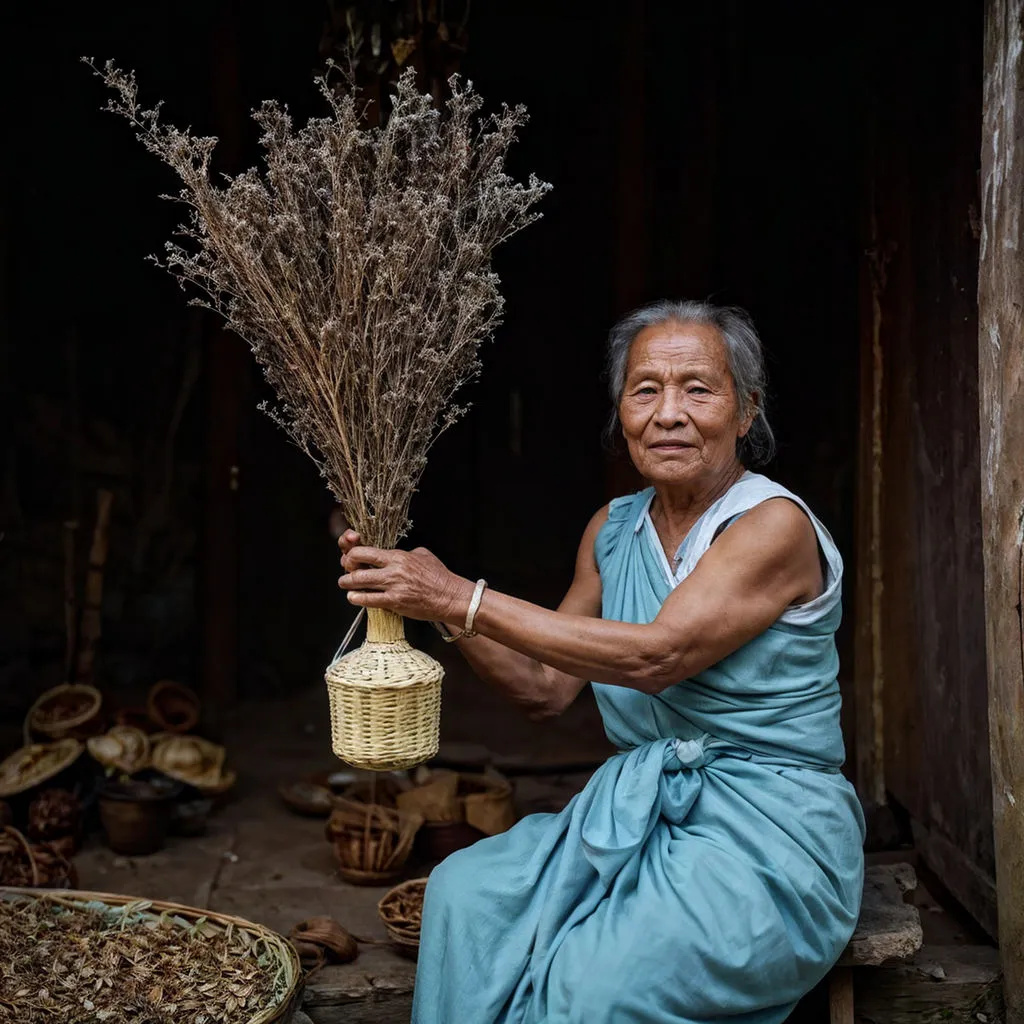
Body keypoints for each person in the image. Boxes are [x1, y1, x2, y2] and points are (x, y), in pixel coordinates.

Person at [337, 299, 865, 1024]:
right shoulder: (612, 531)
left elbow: (660, 655)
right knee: (465, 894)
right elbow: (545, 689)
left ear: (747, 412)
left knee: (591, 986)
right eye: (645, 389)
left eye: (698, 390)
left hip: (768, 835)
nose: (668, 413)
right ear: (620, 412)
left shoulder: (772, 526)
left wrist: (459, 595)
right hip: (639, 812)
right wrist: (435, 607)